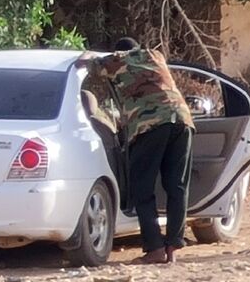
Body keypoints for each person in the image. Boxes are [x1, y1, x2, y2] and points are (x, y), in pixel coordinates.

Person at [83, 38, 195, 264]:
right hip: (182, 120)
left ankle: (154, 248)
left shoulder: (119, 60)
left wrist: (84, 57)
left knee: (142, 187)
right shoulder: (156, 56)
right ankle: (173, 245)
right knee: (177, 185)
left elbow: (89, 65)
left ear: (119, 52)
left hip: (150, 124)